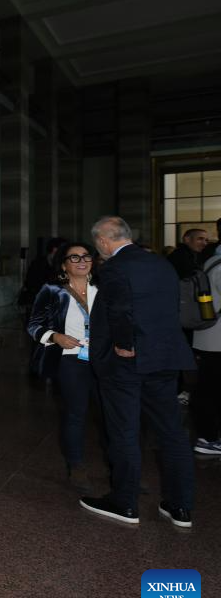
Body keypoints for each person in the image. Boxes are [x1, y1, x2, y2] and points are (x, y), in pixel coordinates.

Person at [83, 216, 195, 527]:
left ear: (103, 241)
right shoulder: (161, 263)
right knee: (172, 432)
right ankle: (180, 506)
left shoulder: (115, 267)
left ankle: (125, 502)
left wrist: (123, 344)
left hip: (128, 362)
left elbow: (119, 309)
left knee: (124, 431)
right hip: (165, 357)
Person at [27, 242, 100, 492]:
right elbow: (33, 325)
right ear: (63, 265)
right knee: (76, 414)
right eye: (74, 257)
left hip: (104, 361)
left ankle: (123, 466)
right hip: (71, 359)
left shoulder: (103, 288)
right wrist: (55, 336)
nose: (82, 261)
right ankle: (76, 466)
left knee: (111, 414)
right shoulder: (52, 291)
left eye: (86, 256)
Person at [191, 245, 221, 455]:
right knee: (211, 391)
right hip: (216, 340)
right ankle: (208, 438)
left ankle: (208, 436)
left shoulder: (211, 261)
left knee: (209, 388)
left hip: (209, 338)